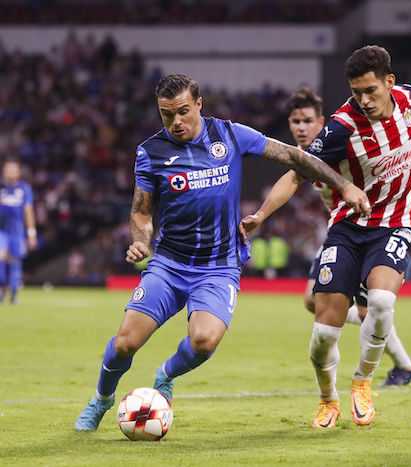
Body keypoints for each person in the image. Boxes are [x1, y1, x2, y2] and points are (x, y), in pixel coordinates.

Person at [74, 74, 369, 431]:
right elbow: (141, 211)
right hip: (169, 263)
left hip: (219, 266)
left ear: (199, 104)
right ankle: (101, 400)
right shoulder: (151, 152)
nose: (176, 122)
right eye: (167, 116)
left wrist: (344, 184)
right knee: (124, 344)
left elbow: (295, 157)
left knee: (203, 340)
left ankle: (165, 374)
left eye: (183, 112)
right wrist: (141, 239)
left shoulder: (229, 135)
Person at [240, 87, 411, 388]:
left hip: (376, 230)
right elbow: (295, 174)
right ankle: (393, 355)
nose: (300, 127)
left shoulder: (338, 141)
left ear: (321, 121)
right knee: (313, 301)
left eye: (307, 121)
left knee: (370, 307)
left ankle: (403, 366)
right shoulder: (309, 156)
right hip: (343, 231)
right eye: (295, 121)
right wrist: (261, 214)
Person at [0, 159, 38, 304]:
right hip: (1, 231)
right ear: (3, 172)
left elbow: (28, 211)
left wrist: (31, 233)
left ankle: (14, 294)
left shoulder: (24, 189)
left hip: (17, 231)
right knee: (0, 258)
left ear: (18, 172)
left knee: (15, 260)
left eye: (13, 169)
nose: (10, 172)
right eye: (7, 169)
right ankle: (3, 287)